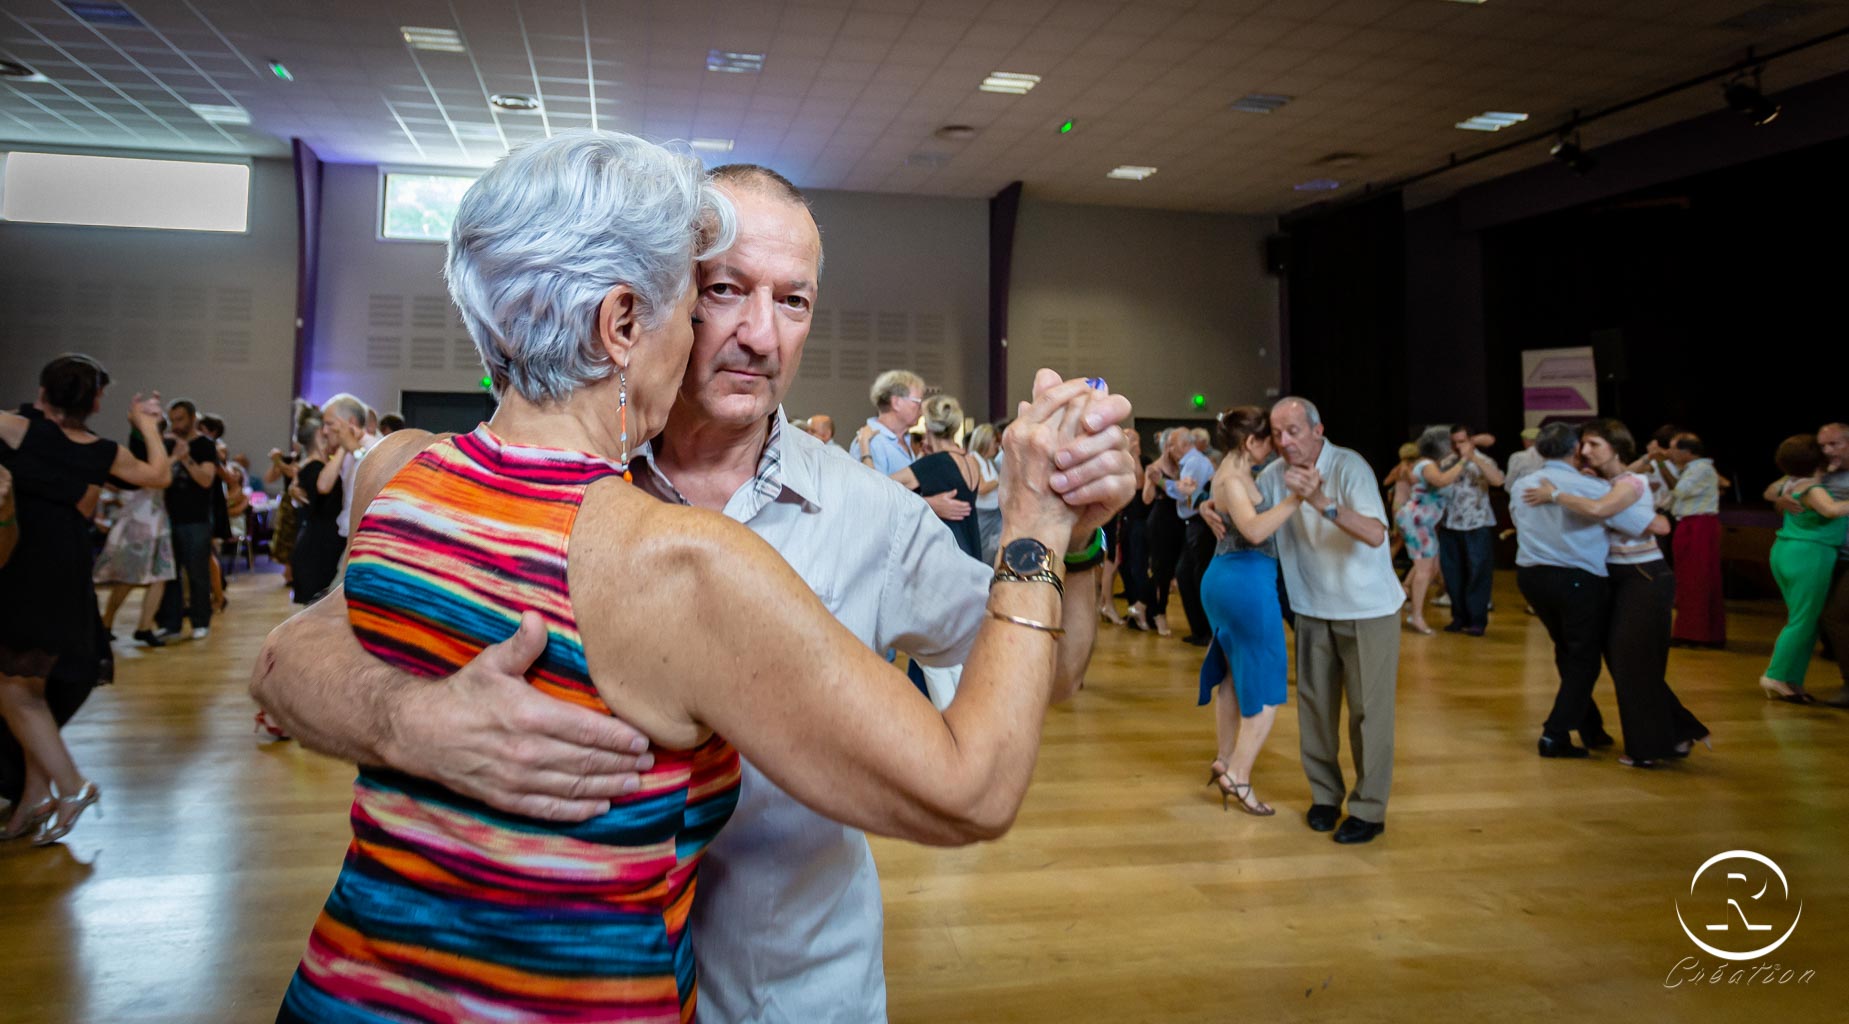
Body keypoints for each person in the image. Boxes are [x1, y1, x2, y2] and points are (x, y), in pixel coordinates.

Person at [254, 149, 1135, 1024]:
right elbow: (973, 790)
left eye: (792, 301)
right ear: (623, 319)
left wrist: (1081, 539)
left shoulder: (406, 472)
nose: (759, 333)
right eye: (711, 291)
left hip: (745, 991)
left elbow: (1039, 674)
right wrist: (1032, 525)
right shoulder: (682, 558)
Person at [1, 355, 171, 844]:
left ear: (42, 392)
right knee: (32, 691)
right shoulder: (103, 451)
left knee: (14, 689)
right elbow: (158, 474)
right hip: (66, 567)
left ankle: (74, 786)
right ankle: (35, 797)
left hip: (26, 566)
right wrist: (145, 423)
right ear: (95, 402)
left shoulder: (17, 430)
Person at [1259, 397, 1401, 845]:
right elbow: (1248, 509)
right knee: (1316, 711)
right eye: (1277, 433)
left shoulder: (1348, 466)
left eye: (1293, 431)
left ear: (1318, 430)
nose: (1285, 442)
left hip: (1368, 609)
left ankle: (1369, 808)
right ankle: (1325, 797)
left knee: (1368, 713)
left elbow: (1377, 534)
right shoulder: (1273, 474)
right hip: (1311, 607)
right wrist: (1210, 508)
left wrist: (1321, 501)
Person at [1524, 421, 1706, 766]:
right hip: (1615, 578)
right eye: (1584, 445)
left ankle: (1650, 748)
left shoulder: (1627, 484)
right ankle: (1680, 730)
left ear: (1615, 446)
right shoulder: (1601, 484)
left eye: (1594, 444)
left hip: (1644, 577)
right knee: (1624, 662)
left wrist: (1554, 496)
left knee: (1632, 663)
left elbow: (1601, 510)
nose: (1585, 451)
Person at [1509, 422, 1655, 759]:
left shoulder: (1522, 484)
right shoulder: (1590, 486)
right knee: (1584, 658)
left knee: (1568, 650)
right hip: (1576, 578)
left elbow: (1520, 522)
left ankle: (1590, 727)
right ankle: (1555, 733)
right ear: (1576, 450)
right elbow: (1630, 522)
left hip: (1531, 576)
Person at [1197, 407, 1298, 815]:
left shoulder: (1229, 474)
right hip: (1245, 583)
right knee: (1268, 679)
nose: (1274, 445)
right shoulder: (1234, 478)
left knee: (1233, 676)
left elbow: (1217, 500)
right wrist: (1297, 499)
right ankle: (1238, 776)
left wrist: (1206, 505)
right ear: (1249, 442)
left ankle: (1225, 758)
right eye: (1268, 438)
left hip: (1228, 579)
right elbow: (1254, 530)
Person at [1758, 435, 1849, 703]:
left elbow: (1770, 491)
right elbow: (1830, 510)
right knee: (1802, 620)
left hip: (1788, 549)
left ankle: (1790, 680)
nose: (1829, 450)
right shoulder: (1812, 488)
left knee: (1805, 620)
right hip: (1810, 554)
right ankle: (1776, 675)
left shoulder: (1794, 481)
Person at [93, 423, 176, 647]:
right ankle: (106, 623)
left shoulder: (153, 455)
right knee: (129, 577)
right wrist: (175, 457)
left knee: (160, 576)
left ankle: (144, 626)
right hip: (139, 525)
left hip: (157, 522)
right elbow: (156, 478)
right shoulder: (137, 460)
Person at [153, 398, 220, 640]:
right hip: (170, 517)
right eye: (172, 420)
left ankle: (201, 621)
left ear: (192, 418)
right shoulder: (167, 444)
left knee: (197, 573)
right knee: (170, 574)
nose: (176, 424)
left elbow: (205, 479)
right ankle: (171, 623)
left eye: (180, 419)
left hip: (196, 520)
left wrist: (184, 458)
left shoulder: (204, 445)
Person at [1793, 423, 1849, 708]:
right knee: (1831, 618)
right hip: (1834, 555)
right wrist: (1782, 501)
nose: (1827, 451)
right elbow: (1779, 490)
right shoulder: (1823, 474)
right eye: (1823, 445)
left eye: (1834, 444)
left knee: (1836, 616)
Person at [1396, 426, 1467, 635]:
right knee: (1425, 569)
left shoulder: (1433, 464)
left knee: (1432, 568)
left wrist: (1463, 453)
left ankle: (1402, 594)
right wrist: (1464, 460)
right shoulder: (1426, 465)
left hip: (1423, 522)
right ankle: (1416, 615)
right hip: (1416, 520)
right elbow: (1442, 480)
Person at [1437, 423, 1504, 636]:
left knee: (1478, 573)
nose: (1458, 446)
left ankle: (1477, 620)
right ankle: (1458, 617)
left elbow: (1498, 481)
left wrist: (1472, 457)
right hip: (1449, 525)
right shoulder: (1447, 461)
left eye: (1462, 441)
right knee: (1453, 574)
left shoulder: (1483, 461)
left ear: (1471, 441)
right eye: (1454, 442)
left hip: (1477, 524)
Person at [1666, 432, 1726, 647]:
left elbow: (1679, 491)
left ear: (1687, 452)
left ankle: (1697, 634)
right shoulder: (1693, 469)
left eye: (1673, 449)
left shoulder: (1700, 468)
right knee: (1688, 579)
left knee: (1697, 579)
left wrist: (1661, 464)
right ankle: (1693, 631)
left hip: (1698, 525)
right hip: (1691, 523)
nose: (1669, 453)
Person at [1140, 428, 1192, 637]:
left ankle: (1142, 605)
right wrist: (1152, 481)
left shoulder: (1184, 466)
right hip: (1160, 522)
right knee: (1161, 571)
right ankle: (1159, 613)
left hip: (1179, 522)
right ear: (1166, 446)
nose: (1173, 449)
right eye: (1170, 445)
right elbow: (1146, 499)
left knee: (1171, 572)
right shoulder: (1154, 467)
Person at [1172, 426, 1219, 646]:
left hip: (1200, 524)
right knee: (1185, 575)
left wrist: (1164, 483)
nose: (1170, 449)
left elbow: (1186, 493)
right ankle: (1200, 631)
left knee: (1197, 576)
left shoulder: (1194, 463)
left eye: (1172, 444)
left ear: (1183, 444)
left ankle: (1208, 631)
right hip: (1193, 523)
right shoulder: (1191, 462)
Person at [288, 417, 343, 605]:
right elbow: (323, 489)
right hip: (318, 550)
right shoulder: (314, 467)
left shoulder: (313, 466)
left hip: (317, 544)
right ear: (320, 435)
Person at [319, 392, 382, 541]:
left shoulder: (377, 446)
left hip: (368, 538)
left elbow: (372, 475)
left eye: (329, 424)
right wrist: (344, 446)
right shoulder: (346, 450)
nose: (324, 431)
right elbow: (323, 485)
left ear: (351, 422)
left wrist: (353, 447)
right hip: (348, 535)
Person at [969, 422, 1003, 564]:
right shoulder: (973, 459)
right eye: (995, 443)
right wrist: (1001, 479)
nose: (997, 447)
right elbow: (981, 487)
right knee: (983, 552)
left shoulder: (989, 462)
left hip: (996, 513)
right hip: (982, 515)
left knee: (994, 551)